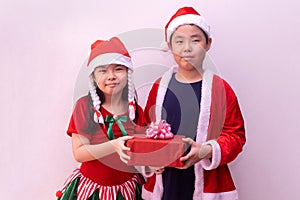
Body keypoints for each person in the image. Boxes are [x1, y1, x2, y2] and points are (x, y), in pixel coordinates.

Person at [142, 7, 246, 200]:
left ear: (208, 44)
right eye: (179, 41)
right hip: (166, 182)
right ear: (170, 46)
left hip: (206, 183)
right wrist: (150, 160)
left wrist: (207, 150)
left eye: (195, 40)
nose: (187, 48)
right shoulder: (159, 87)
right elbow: (145, 130)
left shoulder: (221, 89)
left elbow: (236, 135)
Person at [56, 37, 145, 200]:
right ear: (94, 77)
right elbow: (80, 153)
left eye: (118, 69)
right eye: (103, 70)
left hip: (125, 191)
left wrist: (154, 161)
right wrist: (114, 146)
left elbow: (142, 150)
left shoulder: (136, 111)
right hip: (92, 191)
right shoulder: (84, 107)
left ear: (128, 73)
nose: (111, 76)